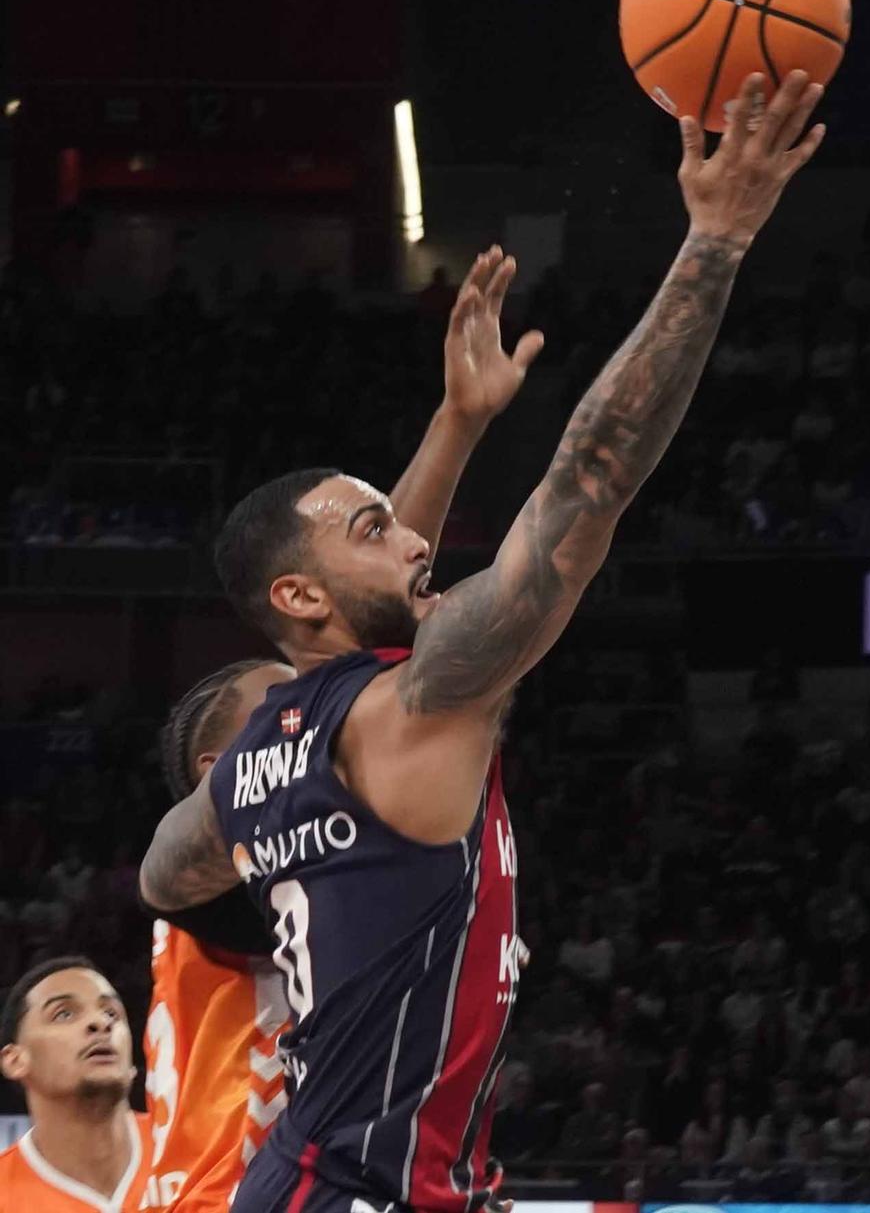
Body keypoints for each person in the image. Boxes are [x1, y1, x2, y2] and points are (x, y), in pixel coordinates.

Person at [136, 71, 825, 1213]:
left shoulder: (255, 774)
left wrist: (456, 427)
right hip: (358, 1190)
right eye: (373, 527)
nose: (414, 540)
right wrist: (715, 240)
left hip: (349, 1179)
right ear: (299, 599)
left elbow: (167, 870)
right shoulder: (422, 705)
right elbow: (587, 482)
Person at [140, 274, 539, 1213]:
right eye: (286, 702)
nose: (315, 703)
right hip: (238, 1186)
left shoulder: (283, 820)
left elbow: (367, 616)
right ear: (222, 772)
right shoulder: (245, 868)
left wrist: (455, 424)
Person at [0, 958, 145, 1213]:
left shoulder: (199, 1149)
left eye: (111, 1013)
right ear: (15, 1060)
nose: (101, 1023)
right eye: (64, 1014)